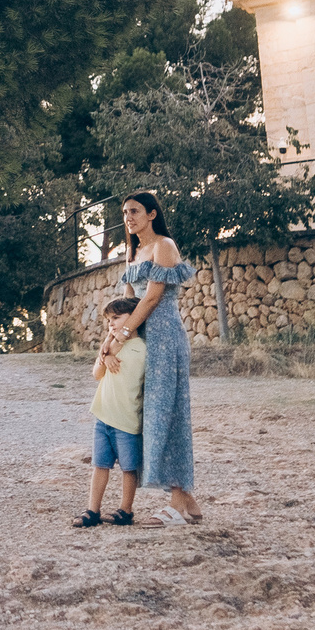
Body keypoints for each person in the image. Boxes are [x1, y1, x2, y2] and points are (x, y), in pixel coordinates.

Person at [118, 190, 203, 525]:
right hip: (142, 339)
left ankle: (177, 503)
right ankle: (187, 501)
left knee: (169, 414)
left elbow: (152, 298)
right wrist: (114, 338)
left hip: (165, 338)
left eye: (135, 211)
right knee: (149, 416)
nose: (128, 217)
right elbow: (128, 303)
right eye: (125, 212)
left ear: (152, 214)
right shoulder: (132, 253)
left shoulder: (164, 246)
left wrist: (125, 333)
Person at [76, 295, 146, 527]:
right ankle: (92, 510)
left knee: (129, 468)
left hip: (127, 419)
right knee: (100, 465)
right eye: (109, 320)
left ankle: (125, 511)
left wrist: (110, 347)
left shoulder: (142, 349)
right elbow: (97, 374)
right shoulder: (111, 346)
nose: (111, 323)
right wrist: (105, 357)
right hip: (103, 416)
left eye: (116, 317)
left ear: (134, 317)